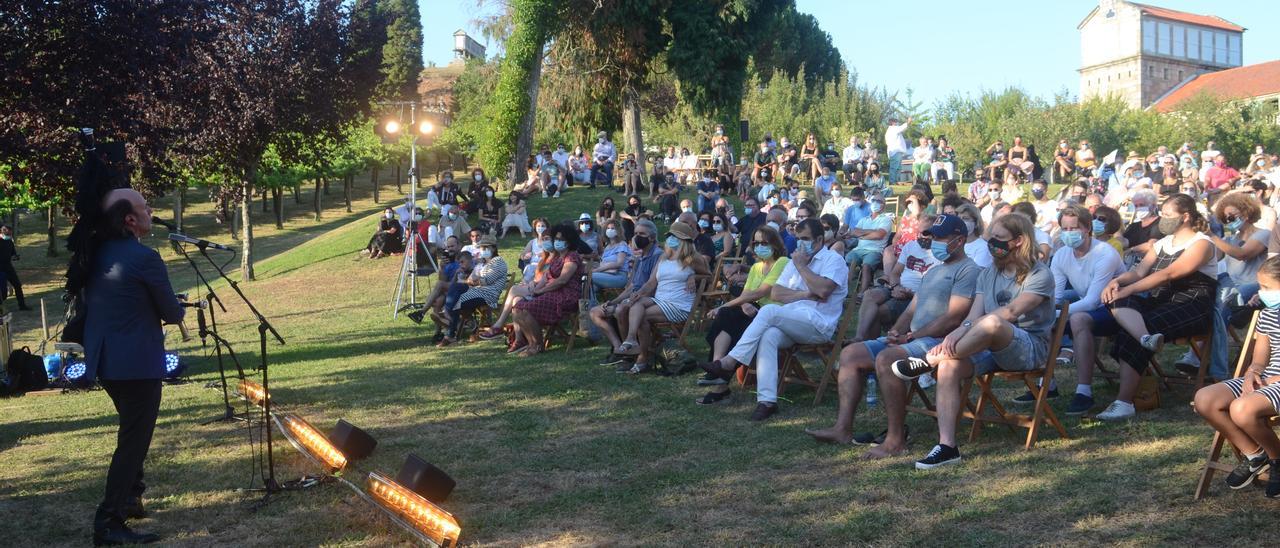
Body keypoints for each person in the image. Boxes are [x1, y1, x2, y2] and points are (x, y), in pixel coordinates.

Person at [888, 212, 1054, 469]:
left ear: (1019, 240)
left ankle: (928, 360)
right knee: (950, 366)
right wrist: (960, 330)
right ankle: (947, 446)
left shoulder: (1039, 274)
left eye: (999, 238)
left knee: (994, 321)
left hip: (1028, 349)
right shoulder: (987, 274)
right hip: (988, 345)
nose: (992, 244)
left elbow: (1010, 313)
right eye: (991, 238)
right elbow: (974, 315)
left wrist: (966, 328)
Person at [806, 215, 979, 452]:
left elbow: (953, 318)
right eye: (932, 236)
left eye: (940, 237)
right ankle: (842, 428)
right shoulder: (934, 269)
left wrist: (910, 337)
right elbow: (911, 310)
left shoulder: (969, 270)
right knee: (851, 354)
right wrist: (897, 330)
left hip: (939, 343)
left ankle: (895, 439)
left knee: (887, 360)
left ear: (959, 240)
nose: (934, 241)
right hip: (916, 338)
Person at [85, 189, 184, 545]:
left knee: (132, 435)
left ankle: (129, 498)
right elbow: (171, 313)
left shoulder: (98, 253)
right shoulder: (145, 258)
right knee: (133, 443)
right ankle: (108, 522)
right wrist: (179, 308)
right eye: (145, 207)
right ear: (130, 218)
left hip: (107, 361)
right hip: (137, 364)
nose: (150, 211)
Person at [699, 218, 850, 421]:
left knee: (768, 311)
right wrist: (805, 294)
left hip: (818, 324)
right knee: (768, 335)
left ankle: (730, 361)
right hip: (791, 319)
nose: (800, 243)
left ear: (819, 239)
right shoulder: (796, 259)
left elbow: (823, 290)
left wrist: (802, 267)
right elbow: (778, 293)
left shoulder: (833, 260)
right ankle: (767, 401)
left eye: (805, 239)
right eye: (798, 238)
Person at [1096, 194, 1218, 420]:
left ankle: (1124, 402)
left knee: (1135, 327)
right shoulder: (1163, 243)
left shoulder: (1202, 243)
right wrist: (1118, 282)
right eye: (1162, 214)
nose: (1163, 219)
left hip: (1191, 304)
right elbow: (1139, 272)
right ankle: (1145, 339)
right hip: (1161, 300)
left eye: (1168, 215)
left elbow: (1169, 273)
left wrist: (1130, 289)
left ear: (1185, 217)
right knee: (1117, 300)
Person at [1192, 256, 1280, 497]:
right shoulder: (1268, 315)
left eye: (1268, 288)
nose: (1262, 293)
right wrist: (1253, 373)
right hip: (1267, 377)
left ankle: (1277, 458)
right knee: (1204, 399)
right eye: (1260, 286)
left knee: (1241, 409)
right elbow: (1260, 359)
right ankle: (1255, 454)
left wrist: (1268, 382)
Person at [1029, 205, 1126, 416]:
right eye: (1064, 228)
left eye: (1074, 228)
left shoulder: (1104, 253)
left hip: (1118, 308)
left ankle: (1084, 392)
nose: (1069, 233)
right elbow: (1056, 293)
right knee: (1042, 317)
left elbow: (1092, 301)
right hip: (1090, 305)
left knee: (1078, 319)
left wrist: (1054, 314)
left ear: (1088, 228)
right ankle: (1047, 384)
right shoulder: (1062, 255)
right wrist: (1044, 312)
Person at [695, 227, 792, 403]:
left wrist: (728, 304)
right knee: (727, 315)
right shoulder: (756, 267)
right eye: (756, 243)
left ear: (775, 244)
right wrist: (744, 303)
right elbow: (746, 295)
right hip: (754, 309)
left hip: (773, 314)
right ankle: (718, 367)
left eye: (764, 243)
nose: (759, 246)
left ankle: (719, 381)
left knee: (730, 318)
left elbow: (760, 292)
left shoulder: (783, 262)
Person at [1184, 193, 1271, 380]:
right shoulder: (1229, 239)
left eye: (1232, 216)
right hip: (1228, 284)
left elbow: (1242, 254)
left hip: (1253, 286)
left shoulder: (1263, 234)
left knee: (1220, 309)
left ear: (1246, 213)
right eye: (1225, 218)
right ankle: (1198, 357)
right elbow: (1214, 258)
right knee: (1206, 304)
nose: (1229, 221)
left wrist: (1212, 236)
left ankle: (1213, 367)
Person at [612, 222, 710, 374]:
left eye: (674, 236)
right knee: (636, 303)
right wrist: (640, 293)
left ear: (683, 240)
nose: (670, 238)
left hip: (678, 304)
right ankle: (632, 341)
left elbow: (708, 276)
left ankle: (642, 357)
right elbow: (652, 282)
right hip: (660, 300)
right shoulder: (664, 257)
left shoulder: (691, 258)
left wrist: (693, 276)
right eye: (669, 235)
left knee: (641, 315)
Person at [593, 220, 663, 365]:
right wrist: (613, 301)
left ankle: (629, 352)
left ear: (652, 237)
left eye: (642, 234)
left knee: (620, 310)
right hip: (632, 297)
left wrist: (628, 300)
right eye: (636, 233)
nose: (638, 237)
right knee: (595, 312)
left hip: (646, 299)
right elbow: (631, 286)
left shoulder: (658, 255)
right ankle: (619, 348)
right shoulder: (639, 257)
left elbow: (652, 285)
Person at [509, 224, 584, 356]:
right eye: (556, 239)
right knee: (517, 308)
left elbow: (562, 280)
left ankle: (537, 345)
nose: (557, 242)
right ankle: (531, 342)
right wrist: (535, 290)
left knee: (527, 309)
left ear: (569, 241)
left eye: (561, 239)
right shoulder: (557, 258)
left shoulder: (571, 257)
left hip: (566, 295)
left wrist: (541, 291)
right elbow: (546, 277)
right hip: (552, 293)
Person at [438, 236, 508, 346]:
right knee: (456, 288)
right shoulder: (481, 264)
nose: (483, 250)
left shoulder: (498, 262)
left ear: (493, 249)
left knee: (454, 298)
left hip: (488, 295)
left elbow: (485, 281)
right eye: (481, 248)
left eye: (486, 248)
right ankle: (451, 331)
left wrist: (474, 281)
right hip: (476, 292)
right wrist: (473, 281)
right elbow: (471, 279)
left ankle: (450, 328)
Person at [845, 195, 893, 294]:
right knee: (848, 262)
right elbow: (854, 232)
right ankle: (844, 291)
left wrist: (862, 234)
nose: (875, 203)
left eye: (879, 201)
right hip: (858, 249)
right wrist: (872, 231)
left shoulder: (886, 220)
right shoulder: (864, 219)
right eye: (874, 200)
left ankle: (862, 293)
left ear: (883, 206)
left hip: (875, 251)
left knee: (866, 266)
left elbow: (879, 235)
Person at [591, 219, 634, 296]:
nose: (610, 230)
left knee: (589, 277)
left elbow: (619, 263)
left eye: (612, 228)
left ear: (618, 231)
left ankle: (589, 304)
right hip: (606, 274)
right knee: (588, 286)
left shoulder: (622, 244)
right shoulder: (607, 247)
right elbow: (602, 263)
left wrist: (597, 270)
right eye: (608, 228)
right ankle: (589, 305)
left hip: (619, 276)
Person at [1121, 189, 1163, 264]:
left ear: (1153, 206)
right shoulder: (1134, 226)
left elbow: (1151, 245)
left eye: (1141, 205)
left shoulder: (1159, 223)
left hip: (1148, 264)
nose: (1138, 208)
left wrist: (1131, 250)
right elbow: (1123, 243)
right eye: (1136, 206)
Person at [0, 224, 26, 310]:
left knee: (17, 285)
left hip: (8, 267)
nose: (9, 236)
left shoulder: (10, 242)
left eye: (10, 234)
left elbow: (13, 253)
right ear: (2, 233)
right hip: (0, 269)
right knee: (3, 292)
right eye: (8, 234)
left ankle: (22, 306)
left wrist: (15, 257)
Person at [884, 117, 911, 184]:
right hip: (895, 151)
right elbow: (902, 127)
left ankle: (896, 181)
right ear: (893, 123)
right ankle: (893, 181)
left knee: (898, 167)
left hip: (895, 151)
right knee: (894, 167)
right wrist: (908, 121)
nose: (897, 123)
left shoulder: (891, 130)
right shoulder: (893, 129)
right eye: (896, 122)